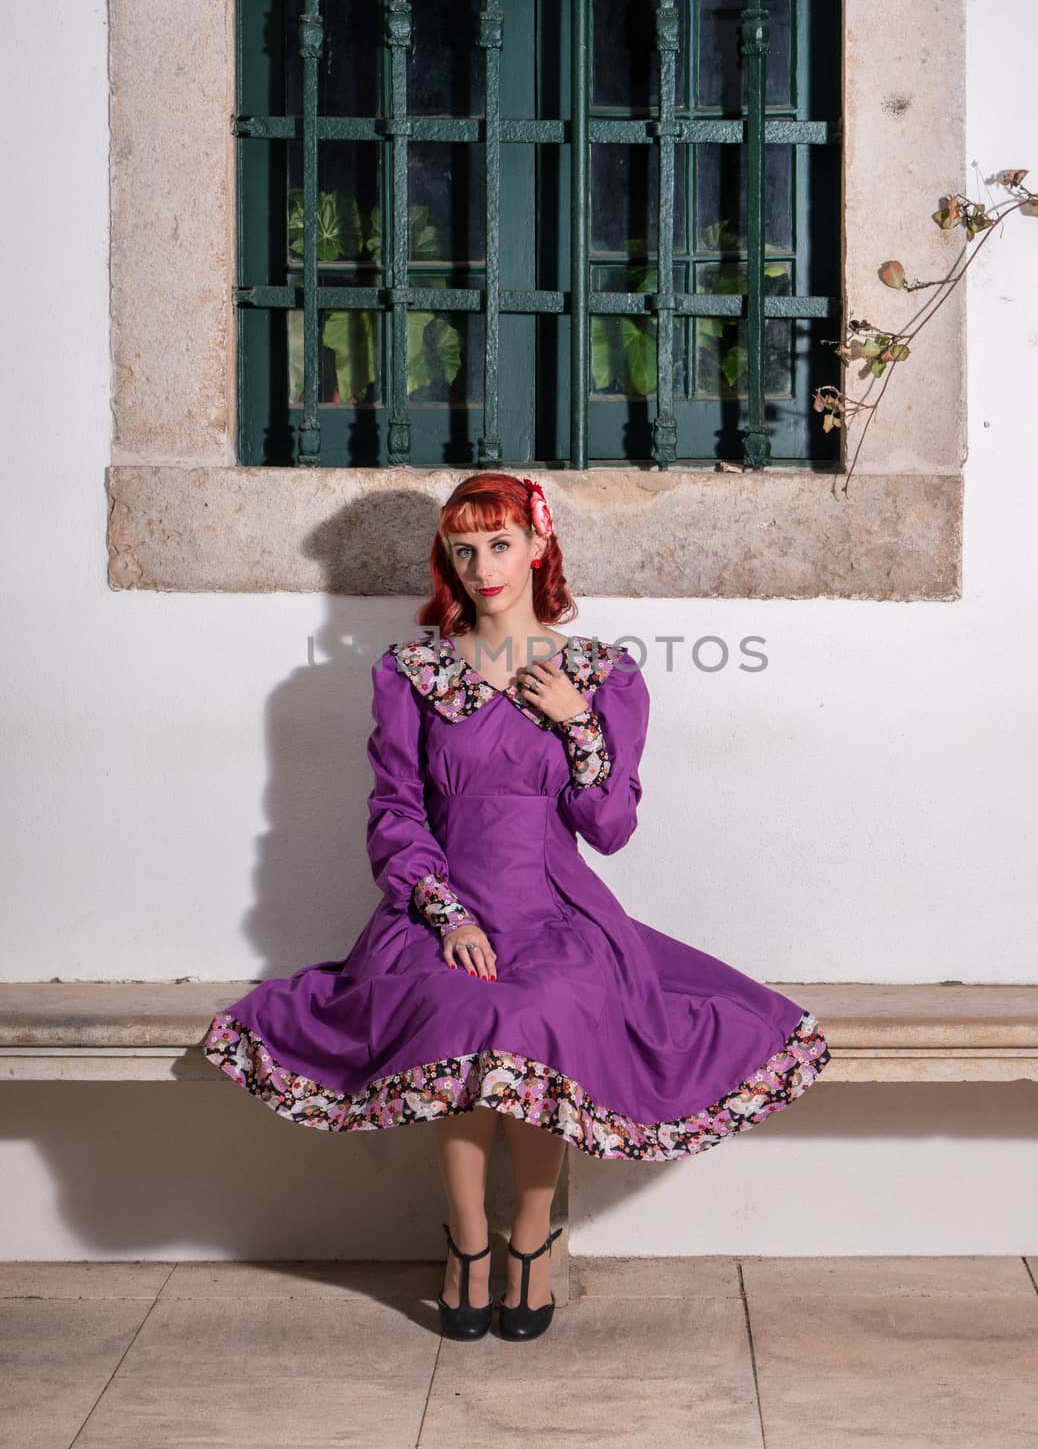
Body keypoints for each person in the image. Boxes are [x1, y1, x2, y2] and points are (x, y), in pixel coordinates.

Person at [200, 472, 831, 1342]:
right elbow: (395, 811)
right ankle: (466, 1242)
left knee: (542, 1010)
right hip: (438, 906)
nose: (482, 566)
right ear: (447, 563)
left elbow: (608, 830)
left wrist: (579, 726)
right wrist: (445, 914)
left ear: (539, 546)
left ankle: (528, 1243)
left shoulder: (602, 676)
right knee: (457, 1009)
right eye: (464, 549)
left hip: (557, 906)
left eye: (499, 544)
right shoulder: (411, 671)